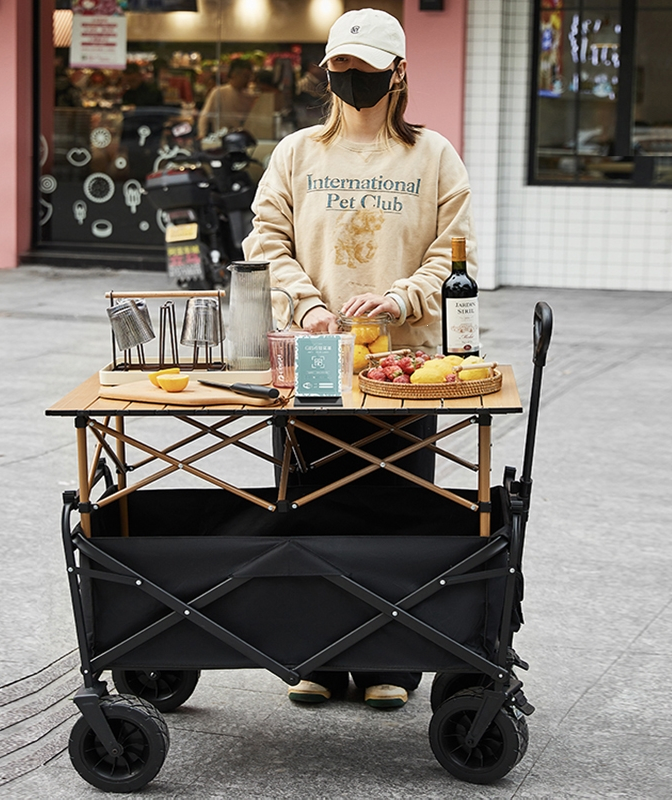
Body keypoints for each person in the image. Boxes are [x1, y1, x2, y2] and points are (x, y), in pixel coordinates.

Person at [242, 8, 478, 710]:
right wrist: (307, 302)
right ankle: (314, 657)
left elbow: (454, 250)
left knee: (396, 508)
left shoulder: (433, 156)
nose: (354, 83)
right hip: (311, 359)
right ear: (327, 72)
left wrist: (404, 299)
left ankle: (391, 664)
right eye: (342, 71)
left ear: (399, 73)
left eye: (368, 72)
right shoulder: (297, 153)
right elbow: (266, 240)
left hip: (401, 370)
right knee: (309, 506)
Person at [197, 58, 256, 139]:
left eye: (249, 77)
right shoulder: (219, 92)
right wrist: (202, 135)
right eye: (245, 76)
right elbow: (205, 116)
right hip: (222, 138)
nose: (248, 80)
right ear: (234, 75)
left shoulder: (249, 96)